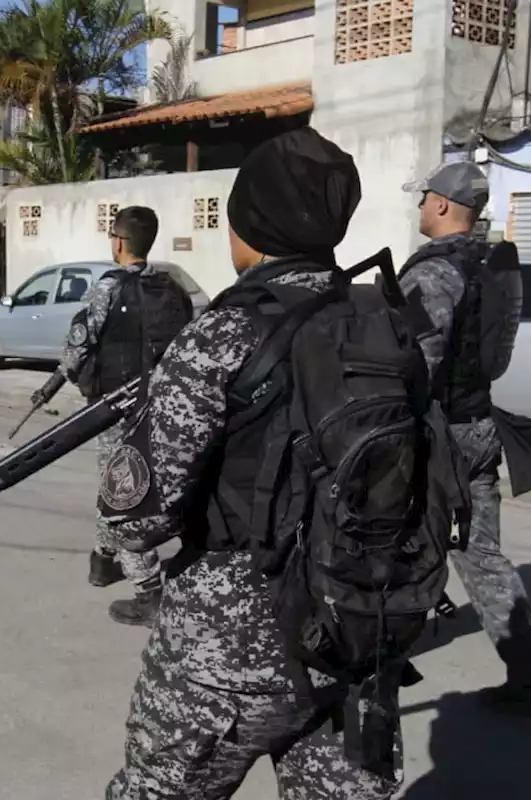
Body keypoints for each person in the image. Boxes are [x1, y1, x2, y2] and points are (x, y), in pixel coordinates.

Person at [98, 129, 402, 799]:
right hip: (356, 627)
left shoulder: (224, 332)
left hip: (229, 652)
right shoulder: (383, 320)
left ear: (251, 228)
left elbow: (136, 511)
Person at [397, 161, 531, 716]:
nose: (419, 207)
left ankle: (377, 664)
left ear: (442, 205)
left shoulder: (435, 273)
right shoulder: (491, 261)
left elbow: (418, 357)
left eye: (423, 199)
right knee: (480, 552)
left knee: (393, 541)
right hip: (478, 425)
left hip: (436, 432)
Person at [33, 205, 193, 627]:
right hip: (164, 408)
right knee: (128, 487)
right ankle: (104, 562)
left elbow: (78, 346)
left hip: (118, 412)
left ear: (118, 242)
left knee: (119, 496)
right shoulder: (172, 287)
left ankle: (148, 591)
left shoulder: (107, 288)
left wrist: (54, 383)